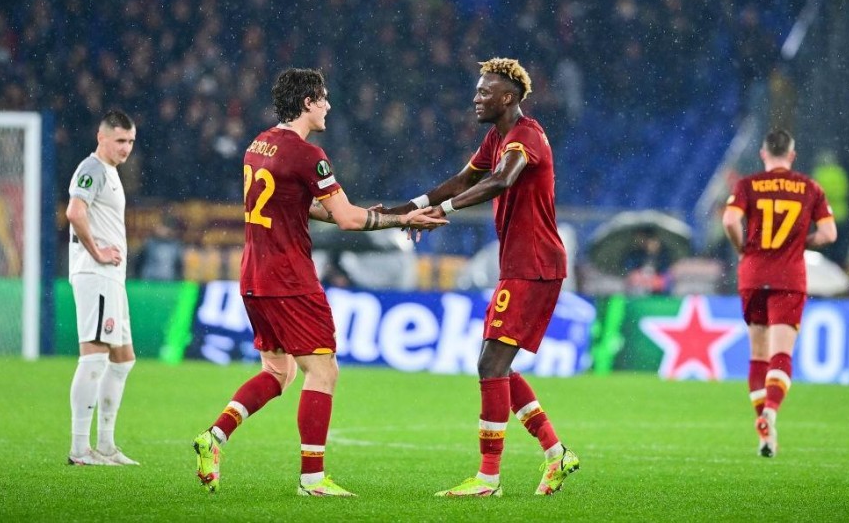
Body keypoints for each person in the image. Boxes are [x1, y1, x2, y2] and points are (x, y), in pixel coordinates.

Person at [191, 68, 447, 497]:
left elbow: (302, 205)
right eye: (323, 98)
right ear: (308, 102)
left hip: (254, 273)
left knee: (278, 370)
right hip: (290, 278)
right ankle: (312, 479)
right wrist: (401, 219)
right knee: (323, 370)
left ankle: (213, 438)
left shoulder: (258, 144)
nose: (328, 105)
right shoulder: (309, 154)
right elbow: (346, 219)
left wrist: (365, 211)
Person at [380, 58, 579, 497]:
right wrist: (407, 208)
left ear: (507, 98)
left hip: (535, 265)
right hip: (520, 265)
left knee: (491, 364)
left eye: (484, 93)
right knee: (498, 366)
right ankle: (556, 452)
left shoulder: (525, 136)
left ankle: (488, 478)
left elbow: (502, 181)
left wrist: (443, 212)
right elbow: (463, 179)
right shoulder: (497, 136)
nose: (476, 99)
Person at [722, 128, 837, 458]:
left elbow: (730, 221)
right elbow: (829, 233)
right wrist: (804, 241)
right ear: (792, 154)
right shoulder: (809, 187)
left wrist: (742, 247)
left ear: (763, 153)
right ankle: (771, 410)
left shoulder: (748, 185)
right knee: (781, 355)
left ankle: (764, 433)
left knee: (757, 354)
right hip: (788, 277)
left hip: (753, 276)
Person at [65, 110, 139, 466]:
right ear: (102, 137)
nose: (126, 148)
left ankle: (106, 445)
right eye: (120, 140)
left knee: (123, 359)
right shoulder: (92, 168)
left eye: (130, 141)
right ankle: (80, 449)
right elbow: (75, 212)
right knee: (94, 357)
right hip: (96, 274)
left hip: (112, 278)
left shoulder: (110, 172)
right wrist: (98, 251)